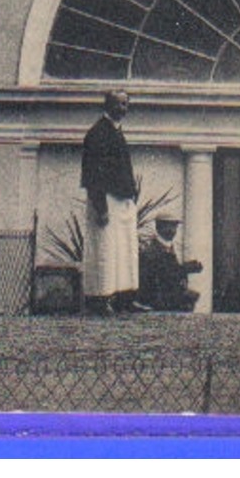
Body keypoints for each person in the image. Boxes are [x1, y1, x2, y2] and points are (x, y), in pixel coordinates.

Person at [80, 90, 142, 315]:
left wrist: (132, 195)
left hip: (123, 200)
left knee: (125, 250)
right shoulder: (97, 134)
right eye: (119, 104)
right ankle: (100, 299)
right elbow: (92, 174)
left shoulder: (117, 133)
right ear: (108, 105)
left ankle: (125, 298)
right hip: (105, 199)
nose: (123, 108)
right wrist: (100, 207)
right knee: (105, 250)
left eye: (126, 104)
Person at [138, 216, 203, 311]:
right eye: (168, 226)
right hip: (160, 300)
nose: (172, 230)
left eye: (175, 227)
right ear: (158, 227)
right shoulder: (152, 250)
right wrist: (185, 268)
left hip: (171, 296)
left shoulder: (170, 247)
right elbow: (163, 275)